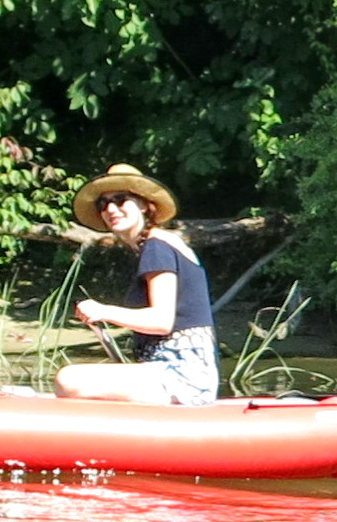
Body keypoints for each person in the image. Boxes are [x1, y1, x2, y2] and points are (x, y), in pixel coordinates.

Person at [53, 163, 218, 406]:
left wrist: (103, 311)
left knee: (68, 378)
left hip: (183, 375)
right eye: (103, 204)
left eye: (120, 200)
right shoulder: (155, 246)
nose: (111, 209)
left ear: (143, 204)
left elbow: (161, 322)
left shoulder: (157, 246)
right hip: (174, 372)